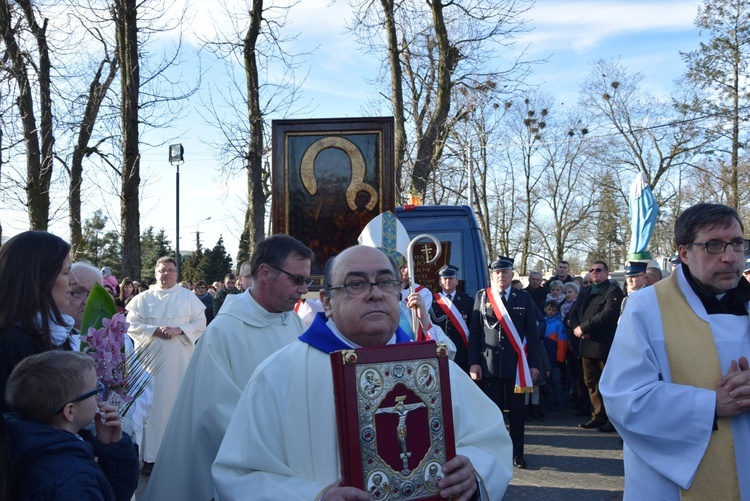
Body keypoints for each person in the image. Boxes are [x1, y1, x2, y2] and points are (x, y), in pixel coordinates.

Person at [212, 245, 514, 500]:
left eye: (386, 282)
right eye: (356, 284)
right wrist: (313, 496)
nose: (375, 294)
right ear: (327, 301)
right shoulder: (278, 375)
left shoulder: (435, 368)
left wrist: (473, 472)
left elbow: (489, 439)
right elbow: (238, 474)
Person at [143, 235, 314, 501]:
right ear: (265, 272)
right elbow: (220, 415)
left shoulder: (292, 321)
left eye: (307, 281)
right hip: (252, 469)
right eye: (297, 279)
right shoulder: (225, 331)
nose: (303, 290)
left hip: (292, 458)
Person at [600, 203, 750, 500]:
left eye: (736, 243)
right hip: (671, 484)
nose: (731, 257)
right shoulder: (646, 308)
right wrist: (709, 406)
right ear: (684, 253)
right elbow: (624, 398)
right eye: (714, 245)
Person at [3, 350, 139, 500]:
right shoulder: (75, 481)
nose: (99, 397)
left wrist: (113, 450)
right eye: (95, 391)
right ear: (70, 410)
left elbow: (109, 493)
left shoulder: (20, 439)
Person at [125, 256, 206, 474]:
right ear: (155, 273)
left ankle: (178, 456)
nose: (166, 274)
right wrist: (154, 330)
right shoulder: (143, 298)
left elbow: (200, 323)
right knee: (152, 408)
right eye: (162, 270)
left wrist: (180, 330)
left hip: (180, 363)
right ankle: (151, 458)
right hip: (149, 366)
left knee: (176, 407)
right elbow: (131, 324)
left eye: (170, 270)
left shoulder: (187, 297)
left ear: (176, 274)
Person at [65, 262, 153, 448]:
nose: (89, 301)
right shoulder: (55, 340)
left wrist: (119, 415)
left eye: (98, 293)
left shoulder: (119, 338)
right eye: (78, 291)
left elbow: (140, 385)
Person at [468, 256, 543, 469]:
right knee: (493, 414)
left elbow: (532, 333)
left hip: (517, 368)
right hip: (489, 366)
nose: (501, 276)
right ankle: (496, 454)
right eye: (497, 273)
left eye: (505, 272)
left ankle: (517, 454)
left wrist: (534, 364)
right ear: (492, 275)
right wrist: (474, 362)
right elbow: (475, 333)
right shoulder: (483, 297)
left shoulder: (524, 298)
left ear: (512, 274)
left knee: (518, 414)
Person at [0, 231, 79, 409]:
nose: (74, 280)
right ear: (38, 278)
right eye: (66, 272)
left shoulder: (53, 332)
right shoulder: (9, 342)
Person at [568, 260, 624, 433]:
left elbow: (608, 314)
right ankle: (597, 416)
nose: (594, 273)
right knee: (590, 382)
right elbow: (574, 312)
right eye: (592, 270)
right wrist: (578, 329)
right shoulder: (585, 291)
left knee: (607, 383)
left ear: (607, 273)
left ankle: (612, 419)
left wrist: (584, 328)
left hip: (603, 344)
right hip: (585, 343)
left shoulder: (613, 290)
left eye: (598, 270)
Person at [429, 265, 474, 372]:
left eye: (451, 278)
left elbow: (473, 328)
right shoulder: (432, 301)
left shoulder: (467, 300)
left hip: (461, 353)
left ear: (457, 281)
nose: (448, 281)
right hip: (440, 351)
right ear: (440, 282)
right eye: (445, 278)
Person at [542, 300, 567, 412]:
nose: (551, 312)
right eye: (549, 309)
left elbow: (562, 342)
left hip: (555, 358)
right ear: (544, 309)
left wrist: (560, 358)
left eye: (553, 310)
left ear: (557, 311)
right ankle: (551, 402)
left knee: (556, 381)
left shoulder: (558, 324)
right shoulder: (542, 322)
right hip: (544, 357)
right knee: (547, 382)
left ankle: (560, 403)